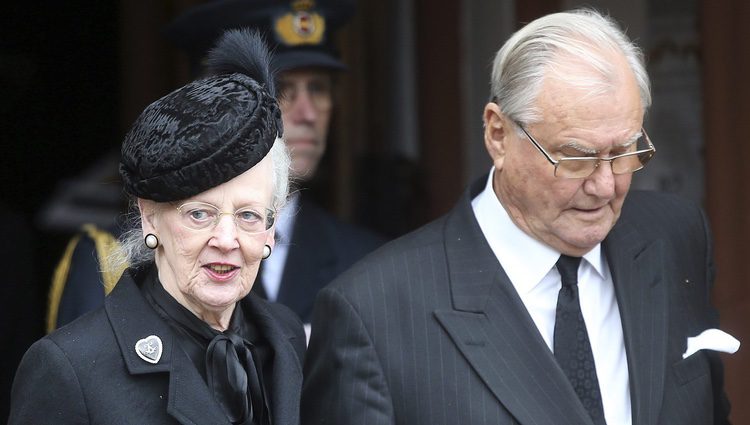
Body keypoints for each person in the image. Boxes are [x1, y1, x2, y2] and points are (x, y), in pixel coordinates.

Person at [301, 9, 735, 425]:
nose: (606, 186)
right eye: (576, 157)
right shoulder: (374, 312)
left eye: (624, 152)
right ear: (498, 135)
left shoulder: (675, 238)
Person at [10, 30, 305, 424]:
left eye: (248, 215)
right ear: (150, 217)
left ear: (271, 228)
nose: (226, 240)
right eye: (199, 214)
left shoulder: (284, 338)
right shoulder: (69, 368)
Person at [47, 0, 383, 332]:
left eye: (319, 89)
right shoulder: (112, 259)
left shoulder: (366, 259)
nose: (308, 114)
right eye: (281, 89)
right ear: (210, 103)